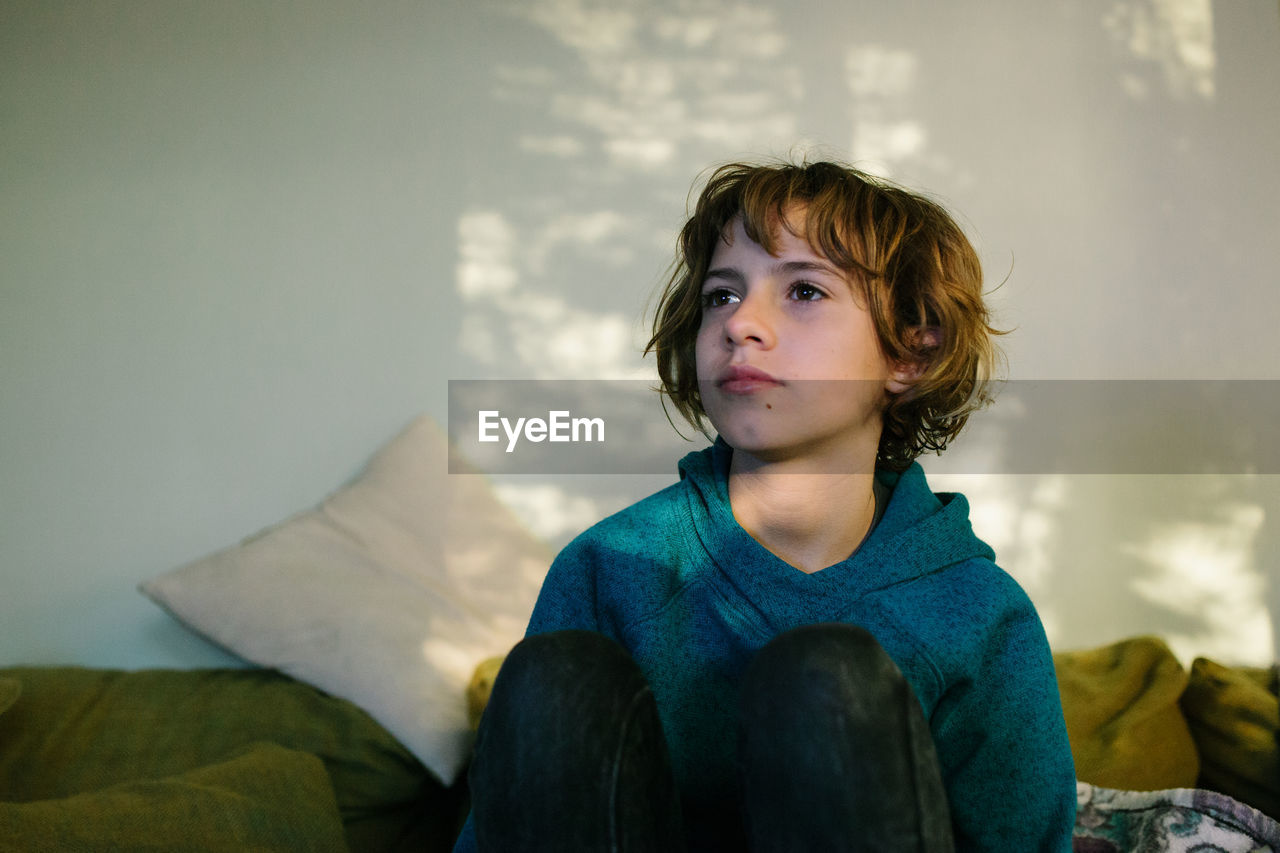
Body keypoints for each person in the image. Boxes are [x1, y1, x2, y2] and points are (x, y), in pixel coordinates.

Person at [453, 159, 1077, 852]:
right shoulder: (607, 567)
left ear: (910, 350)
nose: (741, 323)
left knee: (825, 680)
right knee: (554, 678)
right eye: (721, 295)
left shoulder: (983, 614)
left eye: (805, 289)